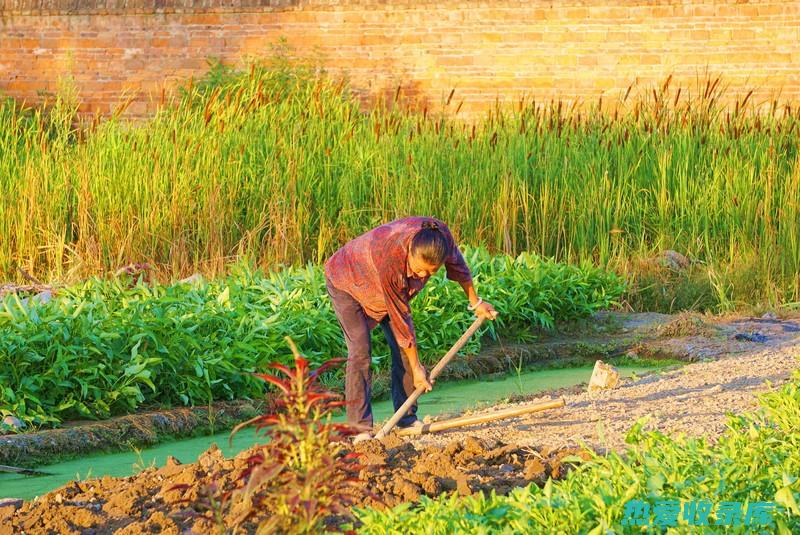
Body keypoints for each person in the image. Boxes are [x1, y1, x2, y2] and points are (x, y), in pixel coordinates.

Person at [324, 216, 498, 442]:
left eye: (430, 272)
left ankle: (406, 419)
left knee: (405, 350)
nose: (423, 277)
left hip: (380, 284)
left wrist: (475, 302)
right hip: (347, 280)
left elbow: (459, 268)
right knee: (360, 351)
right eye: (419, 271)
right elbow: (401, 321)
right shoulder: (392, 260)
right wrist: (418, 370)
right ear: (410, 254)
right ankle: (359, 430)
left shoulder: (440, 238)